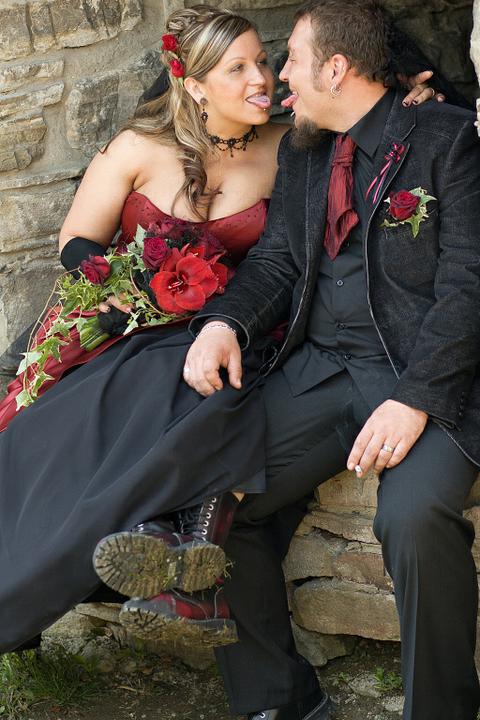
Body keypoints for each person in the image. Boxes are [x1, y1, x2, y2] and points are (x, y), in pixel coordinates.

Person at [0, 3, 440, 658]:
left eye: (263, 61)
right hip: (135, 319)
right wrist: (133, 287)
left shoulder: (295, 147)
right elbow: (77, 243)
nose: (262, 78)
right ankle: (86, 563)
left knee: (202, 387)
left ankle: (166, 544)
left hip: (242, 327)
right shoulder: (138, 147)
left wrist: (417, 97)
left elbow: (363, 130)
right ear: (196, 84)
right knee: (76, 426)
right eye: (239, 68)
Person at [117, 2, 480, 720]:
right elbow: (278, 260)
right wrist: (222, 323)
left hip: (420, 376)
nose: (281, 76)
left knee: (414, 520)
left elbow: (469, 283)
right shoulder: (306, 151)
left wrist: (416, 398)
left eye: (293, 62)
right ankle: (281, 701)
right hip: (321, 369)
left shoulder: (448, 139)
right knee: (217, 498)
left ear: (337, 69)